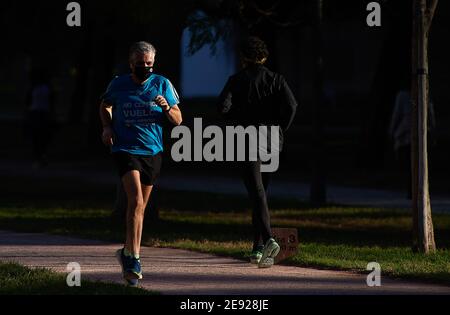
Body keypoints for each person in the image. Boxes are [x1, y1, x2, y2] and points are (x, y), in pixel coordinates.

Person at [99, 41, 182, 285]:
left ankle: (126, 252)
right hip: (125, 148)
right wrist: (106, 127)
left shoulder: (162, 84)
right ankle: (134, 258)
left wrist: (166, 108)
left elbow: (178, 120)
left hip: (152, 151)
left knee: (141, 206)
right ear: (131, 62)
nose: (145, 67)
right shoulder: (119, 84)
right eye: (140, 63)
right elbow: (105, 105)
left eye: (149, 63)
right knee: (135, 200)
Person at [217, 37, 298, 268]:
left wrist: (236, 119)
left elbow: (222, 107)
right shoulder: (277, 79)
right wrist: (281, 127)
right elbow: (292, 105)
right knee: (260, 193)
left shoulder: (236, 80)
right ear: (264, 57)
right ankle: (257, 248)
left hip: (246, 139)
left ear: (243, 57)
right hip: (272, 139)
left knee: (257, 192)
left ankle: (269, 239)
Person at [389, 88, 436, 199]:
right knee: (410, 165)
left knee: (418, 165)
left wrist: (432, 131)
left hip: (420, 135)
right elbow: (397, 114)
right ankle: (413, 190)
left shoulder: (424, 91)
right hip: (407, 136)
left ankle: (417, 191)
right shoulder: (403, 96)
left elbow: (430, 113)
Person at [25, 68, 56, 168]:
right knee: (38, 136)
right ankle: (39, 157)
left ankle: (40, 156)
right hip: (39, 113)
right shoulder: (42, 88)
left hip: (40, 113)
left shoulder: (38, 88)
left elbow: (28, 101)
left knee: (40, 136)